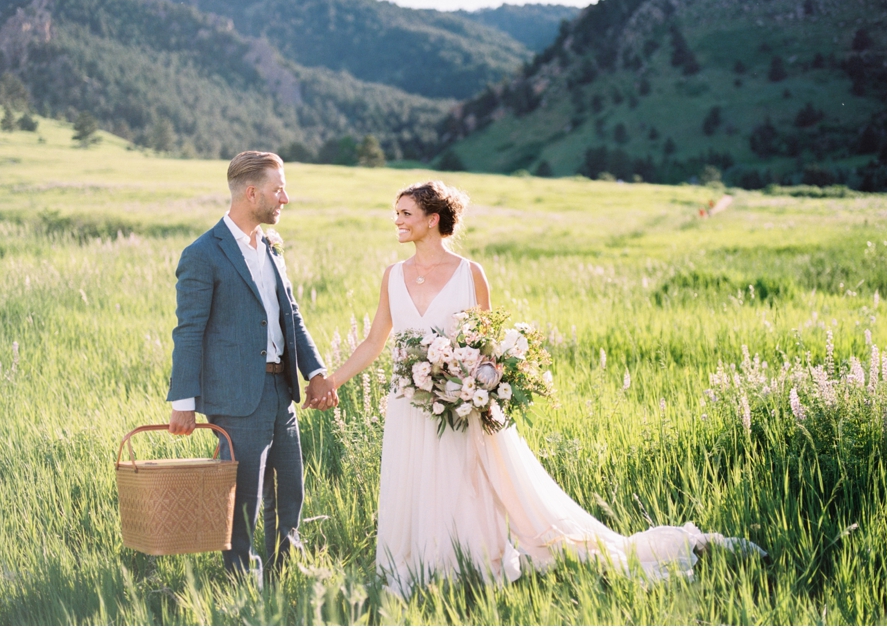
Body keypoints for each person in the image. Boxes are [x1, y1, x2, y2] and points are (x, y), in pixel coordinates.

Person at [319, 180, 765, 595]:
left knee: (465, 485)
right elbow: (374, 341)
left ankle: (470, 568)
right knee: (414, 483)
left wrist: (470, 379)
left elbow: (488, 344)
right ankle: (414, 572)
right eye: (396, 213)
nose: (397, 221)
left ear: (432, 219)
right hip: (409, 404)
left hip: (460, 405)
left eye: (405, 213)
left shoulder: (468, 273)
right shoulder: (392, 276)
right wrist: (331, 380)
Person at [167, 151, 338, 581]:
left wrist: (315, 373)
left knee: (290, 490)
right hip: (236, 399)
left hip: (281, 392)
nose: (286, 197)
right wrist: (183, 401)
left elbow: (291, 315)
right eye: (278, 189)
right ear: (251, 192)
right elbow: (188, 331)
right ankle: (242, 582)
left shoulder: (271, 248)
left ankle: (287, 572)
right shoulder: (202, 254)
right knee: (243, 498)